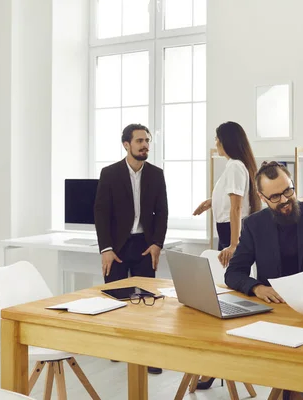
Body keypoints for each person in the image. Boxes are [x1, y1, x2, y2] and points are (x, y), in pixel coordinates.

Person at [94, 123, 168, 375]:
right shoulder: (110, 173)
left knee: (147, 301)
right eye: (139, 141)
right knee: (115, 298)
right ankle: (118, 348)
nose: (145, 144)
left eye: (147, 140)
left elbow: (162, 213)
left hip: (145, 246)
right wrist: (105, 248)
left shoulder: (156, 174)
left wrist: (157, 243)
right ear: (126, 145)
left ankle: (148, 355)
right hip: (116, 246)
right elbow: (101, 213)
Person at [225, 161, 303, 303]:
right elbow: (233, 273)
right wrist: (257, 288)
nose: (285, 199)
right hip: (275, 306)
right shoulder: (253, 225)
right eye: (275, 197)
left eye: (288, 190)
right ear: (262, 197)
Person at [193, 121, 261, 267]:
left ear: (226, 141)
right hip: (228, 228)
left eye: (217, 138)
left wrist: (234, 244)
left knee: (229, 275)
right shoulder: (235, 165)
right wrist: (212, 201)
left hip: (231, 230)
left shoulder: (235, 166)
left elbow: (236, 207)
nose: (216, 143)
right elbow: (235, 198)